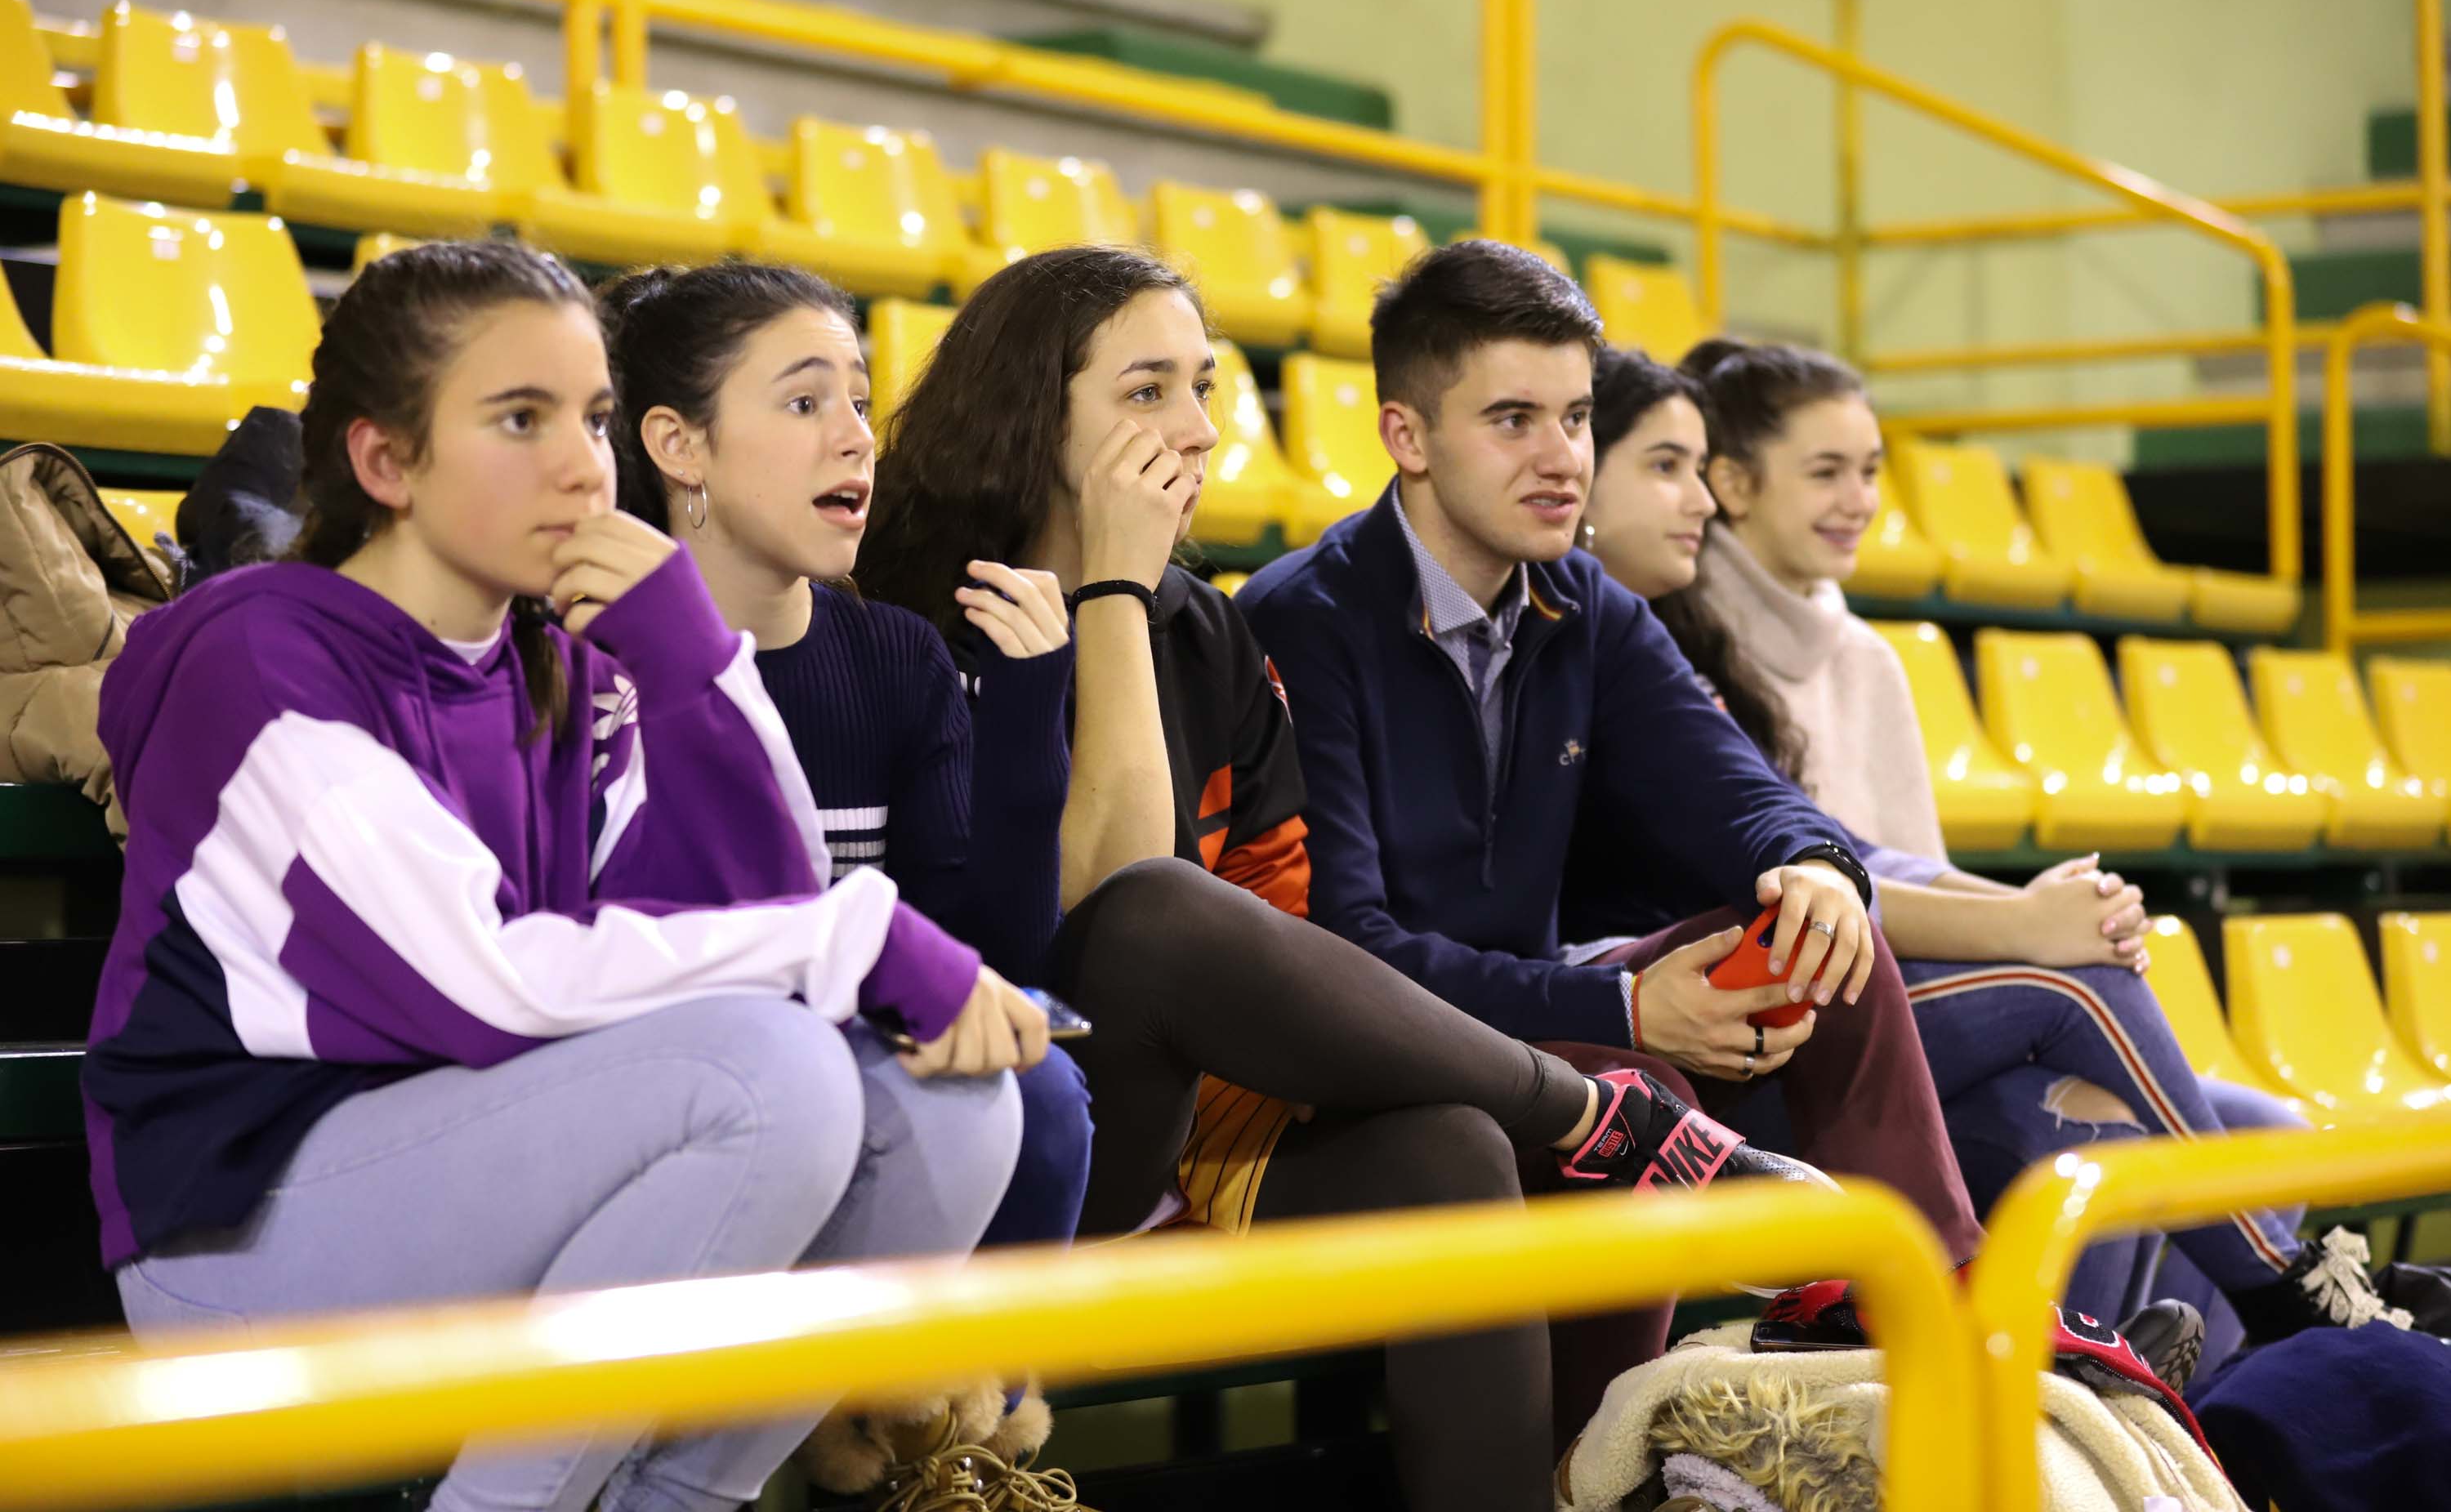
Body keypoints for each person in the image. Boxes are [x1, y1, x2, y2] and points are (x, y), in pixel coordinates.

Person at [854, 243, 1819, 1512]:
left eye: (1205, 388)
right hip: (1023, 1132)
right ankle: (1602, 1122)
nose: (1197, 431)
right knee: (1153, 912)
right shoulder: (910, 618)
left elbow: (1286, 927)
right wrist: (1108, 597)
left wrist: (1137, 599)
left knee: (1451, 1151)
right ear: (1038, 412)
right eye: (1147, 393)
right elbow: (1108, 906)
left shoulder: (1208, 627)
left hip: (1199, 1136)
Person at [81, 241, 1032, 1512]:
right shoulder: (262, 663)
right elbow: (479, 988)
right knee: (768, 1080)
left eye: (589, 418)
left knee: (956, 1114)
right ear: (386, 463)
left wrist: (697, 664)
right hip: (243, 1236)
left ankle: (677, 1501)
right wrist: (853, 940)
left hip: (494, 1161)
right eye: (520, 420)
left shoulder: (566, 660)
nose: (585, 466)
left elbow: (752, 904)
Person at [1580, 336, 2446, 1341]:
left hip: (1839, 1000)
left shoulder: (1680, 646)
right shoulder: (1629, 651)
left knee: (2255, 1125)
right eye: (1666, 468)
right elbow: (1790, 880)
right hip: (1736, 1031)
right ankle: (2233, 1319)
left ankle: (2189, 1414)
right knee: (2077, 1035)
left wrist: (2035, 910)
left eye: (1870, 471)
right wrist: (2031, 928)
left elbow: (1850, 852)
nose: (1698, 501)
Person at [1236, 240, 1985, 1269]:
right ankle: (1596, 1435)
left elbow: (1740, 791)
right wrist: (1623, 1004)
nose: (1562, 458)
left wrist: (1817, 865)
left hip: (1546, 1027)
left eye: (1578, 417)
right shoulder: (1301, 617)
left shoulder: (1587, 603)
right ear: (1406, 435)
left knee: (1825, 940)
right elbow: (1346, 954)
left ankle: (1935, 1310)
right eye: (1513, 420)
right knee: (1641, 1101)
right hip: (1383, 1067)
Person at [600, 261, 1088, 1257]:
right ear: (678, 443)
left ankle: (946, 1408)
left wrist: (1028, 711)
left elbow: (995, 960)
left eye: (860, 402)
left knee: (1040, 1095)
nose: (856, 435)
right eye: (806, 400)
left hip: (859, 1057)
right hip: (683, 1075)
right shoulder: (588, 658)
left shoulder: (895, 653)